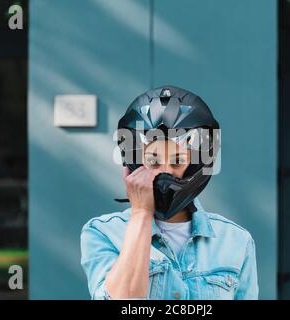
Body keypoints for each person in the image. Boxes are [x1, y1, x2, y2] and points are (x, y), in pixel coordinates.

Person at [80, 86, 258, 300]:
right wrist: (141, 214)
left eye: (178, 161)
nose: (164, 171)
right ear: (135, 162)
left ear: (196, 164)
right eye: (153, 160)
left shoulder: (236, 240)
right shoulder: (103, 233)